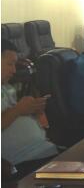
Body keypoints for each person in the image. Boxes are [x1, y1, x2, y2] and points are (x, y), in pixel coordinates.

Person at [1, 39, 58, 171]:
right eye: (10, 64)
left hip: (42, 151)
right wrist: (18, 109)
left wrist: (32, 110)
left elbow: (11, 116)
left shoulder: (6, 87)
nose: (14, 70)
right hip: (21, 162)